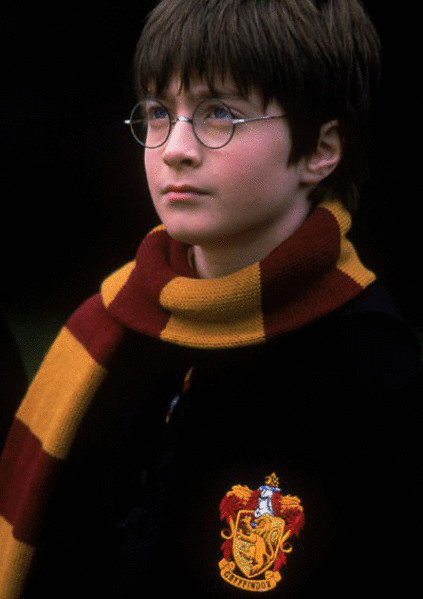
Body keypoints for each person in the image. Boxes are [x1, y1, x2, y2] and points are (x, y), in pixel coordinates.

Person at [1, 0, 421, 596]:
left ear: (321, 150)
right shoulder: (106, 329)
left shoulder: (369, 365)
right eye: (158, 113)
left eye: (219, 112)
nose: (175, 147)